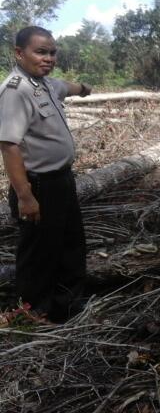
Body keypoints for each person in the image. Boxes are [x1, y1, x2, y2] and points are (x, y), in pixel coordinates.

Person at [0, 26, 93, 323]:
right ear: (19, 53)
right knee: (39, 254)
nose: (48, 57)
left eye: (52, 52)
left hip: (62, 180)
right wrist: (25, 196)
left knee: (71, 244)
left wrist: (83, 87)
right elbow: (9, 145)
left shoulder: (47, 84)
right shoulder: (16, 90)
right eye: (40, 52)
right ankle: (33, 314)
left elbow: (67, 86)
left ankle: (67, 307)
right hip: (38, 185)